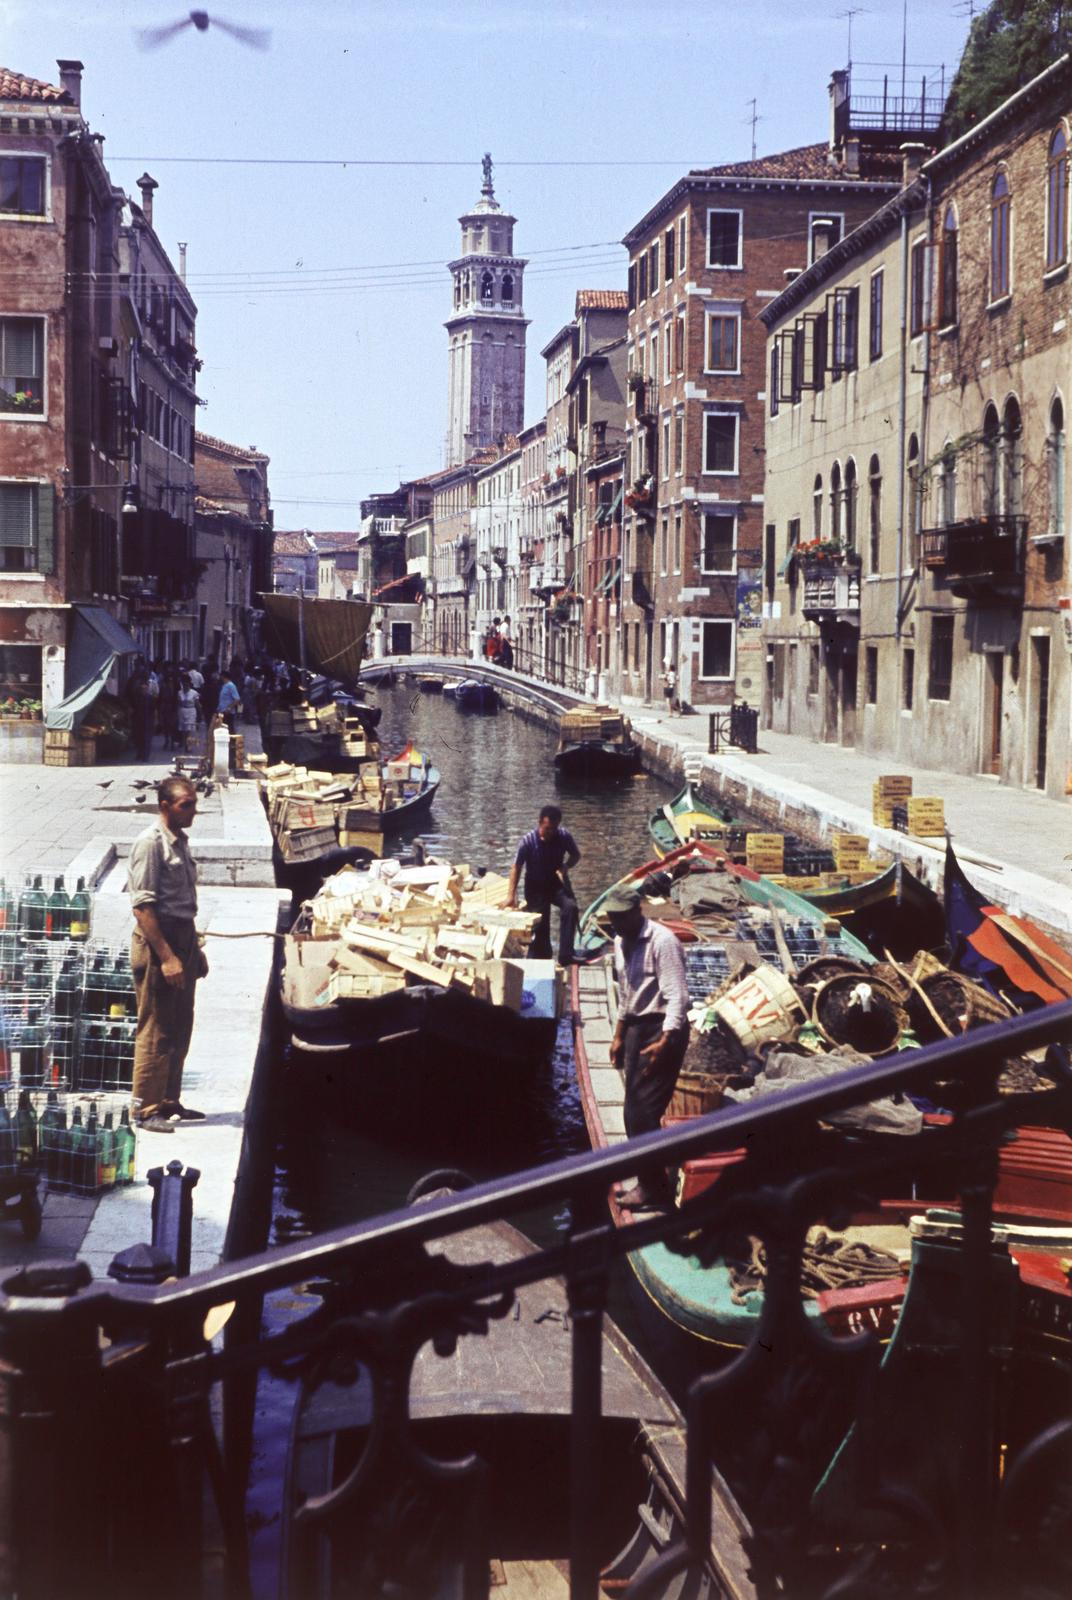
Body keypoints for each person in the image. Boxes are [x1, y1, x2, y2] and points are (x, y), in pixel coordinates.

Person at [126, 776, 209, 1132]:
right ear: (165, 806)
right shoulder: (150, 843)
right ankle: (146, 1110)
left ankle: (169, 1100)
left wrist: (193, 950)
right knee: (156, 1027)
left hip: (183, 937)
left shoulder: (179, 841)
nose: (193, 811)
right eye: (186, 805)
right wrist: (167, 957)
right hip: (159, 942)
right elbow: (143, 907)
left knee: (180, 1024)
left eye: (194, 804)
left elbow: (182, 902)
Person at [606, 884, 690, 1210]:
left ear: (637, 912)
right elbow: (627, 993)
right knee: (633, 1111)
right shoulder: (620, 941)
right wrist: (618, 1034)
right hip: (636, 1028)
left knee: (642, 1113)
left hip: (662, 1029)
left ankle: (652, 1189)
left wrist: (665, 1041)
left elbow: (677, 997)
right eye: (612, 918)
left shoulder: (663, 942)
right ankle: (652, 1181)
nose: (616, 925)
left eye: (621, 918)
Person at [506, 803, 580, 964]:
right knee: (541, 924)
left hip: (555, 884)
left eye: (554, 829)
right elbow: (516, 867)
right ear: (540, 823)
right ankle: (542, 958)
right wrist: (511, 895)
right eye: (547, 829)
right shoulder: (528, 841)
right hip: (535, 887)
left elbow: (576, 855)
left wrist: (566, 866)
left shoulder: (564, 836)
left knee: (570, 907)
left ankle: (566, 954)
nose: (550, 833)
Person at [176, 672, 200, 754]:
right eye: (184, 684)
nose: (185, 686)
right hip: (182, 711)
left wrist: (199, 715)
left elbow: (197, 704)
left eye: (186, 684)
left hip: (191, 711)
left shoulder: (194, 693)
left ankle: (188, 746)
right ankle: (183, 743)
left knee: (189, 729)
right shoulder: (179, 693)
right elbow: (178, 703)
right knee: (183, 729)